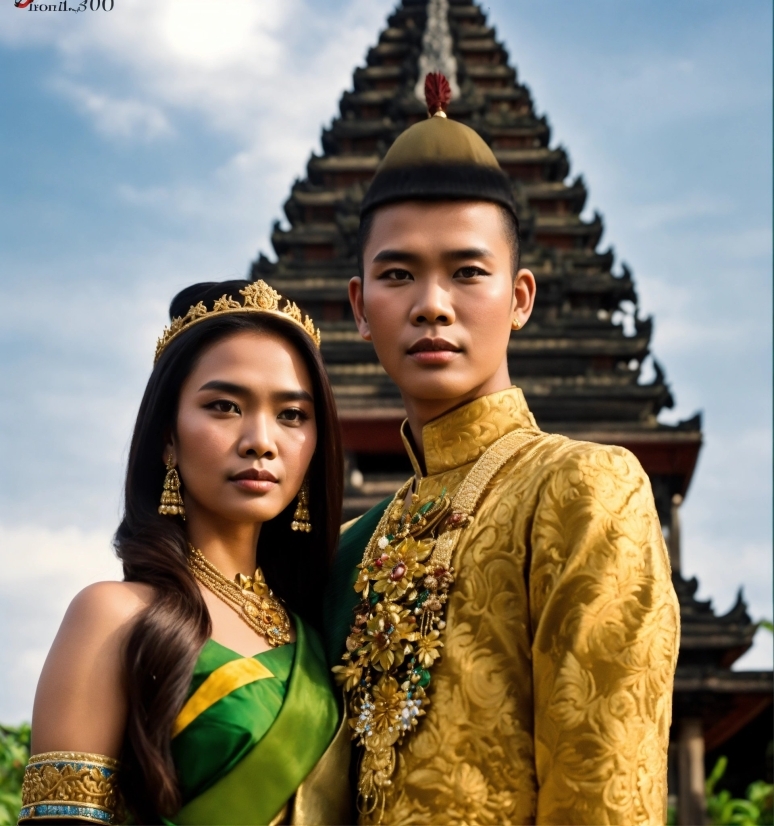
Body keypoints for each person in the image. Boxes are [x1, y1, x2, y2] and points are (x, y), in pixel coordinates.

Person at [325, 74, 679, 825]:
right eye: (397, 274)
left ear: (520, 298)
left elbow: (604, 793)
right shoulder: (358, 546)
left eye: (467, 271)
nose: (431, 303)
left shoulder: (584, 488)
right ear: (360, 307)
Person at [20, 280, 350, 825]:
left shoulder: (321, 633)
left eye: (291, 414)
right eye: (224, 406)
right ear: (168, 437)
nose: (260, 440)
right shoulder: (113, 618)